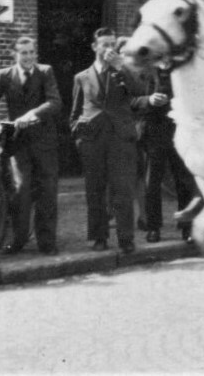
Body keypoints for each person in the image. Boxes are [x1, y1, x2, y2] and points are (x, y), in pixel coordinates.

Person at [0, 36, 62, 256]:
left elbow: (54, 102)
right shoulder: (4, 75)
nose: (28, 57)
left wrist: (32, 114)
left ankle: (47, 242)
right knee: (20, 191)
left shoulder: (45, 72)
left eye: (32, 52)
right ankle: (19, 239)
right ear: (14, 54)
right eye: (23, 53)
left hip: (44, 141)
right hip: (18, 142)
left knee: (47, 190)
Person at [70, 28, 141, 254]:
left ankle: (126, 239)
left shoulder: (123, 71)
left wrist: (122, 67)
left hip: (120, 140)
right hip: (92, 140)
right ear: (94, 47)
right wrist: (78, 137)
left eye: (112, 44)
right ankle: (99, 237)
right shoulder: (81, 77)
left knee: (123, 191)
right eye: (104, 44)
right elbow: (75, 111)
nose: (109, 49)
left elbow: (140, 90)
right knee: (95, 191)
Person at [131, 66, 199, 244]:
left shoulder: (181, 69)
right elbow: (129, 100)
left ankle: (187, 227)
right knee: (152, 182)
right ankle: (153, 227)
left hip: (179, 130)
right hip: (153, 133)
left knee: (184, 180)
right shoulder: (140, 71)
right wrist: (149, 100)